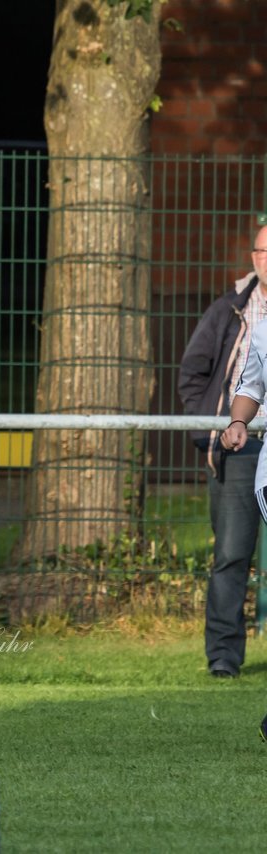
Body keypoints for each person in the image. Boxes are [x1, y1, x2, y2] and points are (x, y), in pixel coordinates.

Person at [179, 224, 267, 680]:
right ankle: (224, 658)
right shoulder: (229, 310)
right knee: (232, 554)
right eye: (263, 250)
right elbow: (193, 373)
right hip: (243, 451)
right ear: (253, 256)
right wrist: (215, 431)